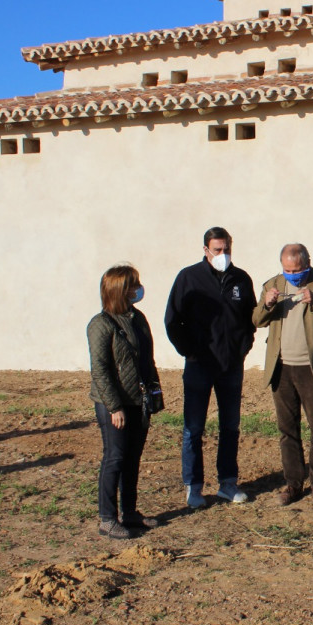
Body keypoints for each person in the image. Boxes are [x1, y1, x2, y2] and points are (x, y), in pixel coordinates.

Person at [165, 227, 256, 510]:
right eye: (217, 250)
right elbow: (173, 320)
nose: (223, 255)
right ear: (205, 250)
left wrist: (242, 348)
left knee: (230, 426)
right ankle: (194, 487)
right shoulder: (188, 278)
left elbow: (250, 319)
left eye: (226, 249)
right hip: (199, 367)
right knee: (194, 428)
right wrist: (190, 351)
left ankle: (228, 483)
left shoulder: (240, 279)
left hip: (231, 367)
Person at [252, 244, 313, 506]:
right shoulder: (272, 284)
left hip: (311, 366)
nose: (292, 274)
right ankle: (293, 484)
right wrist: (268, 304)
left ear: (308, 263)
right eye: (288, 270)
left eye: (298, 270)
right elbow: (257, 320)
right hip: (281, 367)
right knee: (287, 428)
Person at [87, 264, 163, 540]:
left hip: (138, 400)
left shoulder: (137, 318)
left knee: (132, 459)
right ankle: (108, 518)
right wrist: (113, 406)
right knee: (115, 458)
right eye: (133, 284)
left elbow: (147, 360)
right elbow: (101, 369)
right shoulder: (101, 324)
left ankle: (129, 512)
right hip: (115, 404)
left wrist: (154, 394)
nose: (138, 289)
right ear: (120, 290)